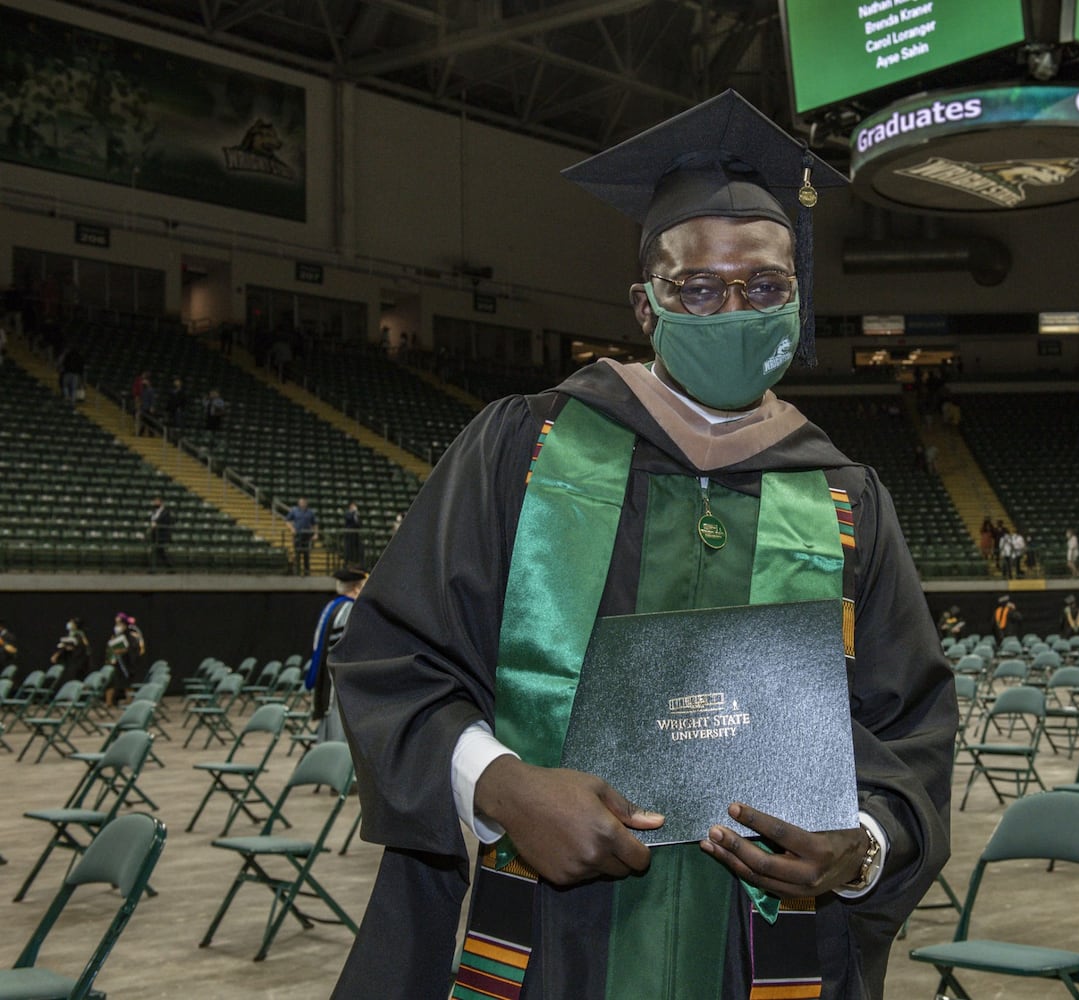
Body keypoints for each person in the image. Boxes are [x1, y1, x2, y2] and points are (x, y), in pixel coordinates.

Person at [328, 92, 955, 1000]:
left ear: (796, 299)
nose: (733, 307)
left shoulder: (842, 495)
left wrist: (860, 847)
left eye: (765, 287)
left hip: (759, 959)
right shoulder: (524, 451)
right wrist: (503, 789)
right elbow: (390, 660)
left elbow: (912, 730)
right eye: (697, 287)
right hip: (544, 943)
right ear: (645, 305)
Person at [306, 566, 367, 743]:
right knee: (338, 733)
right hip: (337, 683)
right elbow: (347, 651)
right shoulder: (347, 609)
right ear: (356, 588)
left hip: (326, 677)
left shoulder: (332, 606)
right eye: (363, 586)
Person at [285, 497, 318, 576]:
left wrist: (316, 534)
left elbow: (315, 524)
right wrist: (292, 529)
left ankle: (307, 572)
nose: (302, 503)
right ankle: (297, 572)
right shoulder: (294, 511)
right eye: (301, 502)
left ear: (306, 503)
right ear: (299, 503)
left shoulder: (310, 512)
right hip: (298, 535)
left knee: (306, 554)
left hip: (307, 535)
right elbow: (287, 521)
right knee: (297, 554)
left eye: (304, 502)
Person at [146, 496, 173, 571]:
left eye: (156, 501)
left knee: (156, 551)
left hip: (162, 535)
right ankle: (170, 568)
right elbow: (152, 521)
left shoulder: (166, 512)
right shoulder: (154, 511)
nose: (155, 503)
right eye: (154, 501)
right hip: (154, 534)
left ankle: (152, 569)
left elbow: (166, 522)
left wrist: (157, 524)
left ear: (161, 503)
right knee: (160, 552)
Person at [342, 501, 363, 567]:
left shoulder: (357, 515)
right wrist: (354, 512)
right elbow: (348, 518)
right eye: (353, 506)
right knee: (348, 550)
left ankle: (356, 564)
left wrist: (356, 514)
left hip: (355, 536)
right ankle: (346, 564)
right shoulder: (347, 513)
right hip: (349, 536)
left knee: (356, 551)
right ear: (350, 506)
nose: (354, 507)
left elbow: (360, 524)